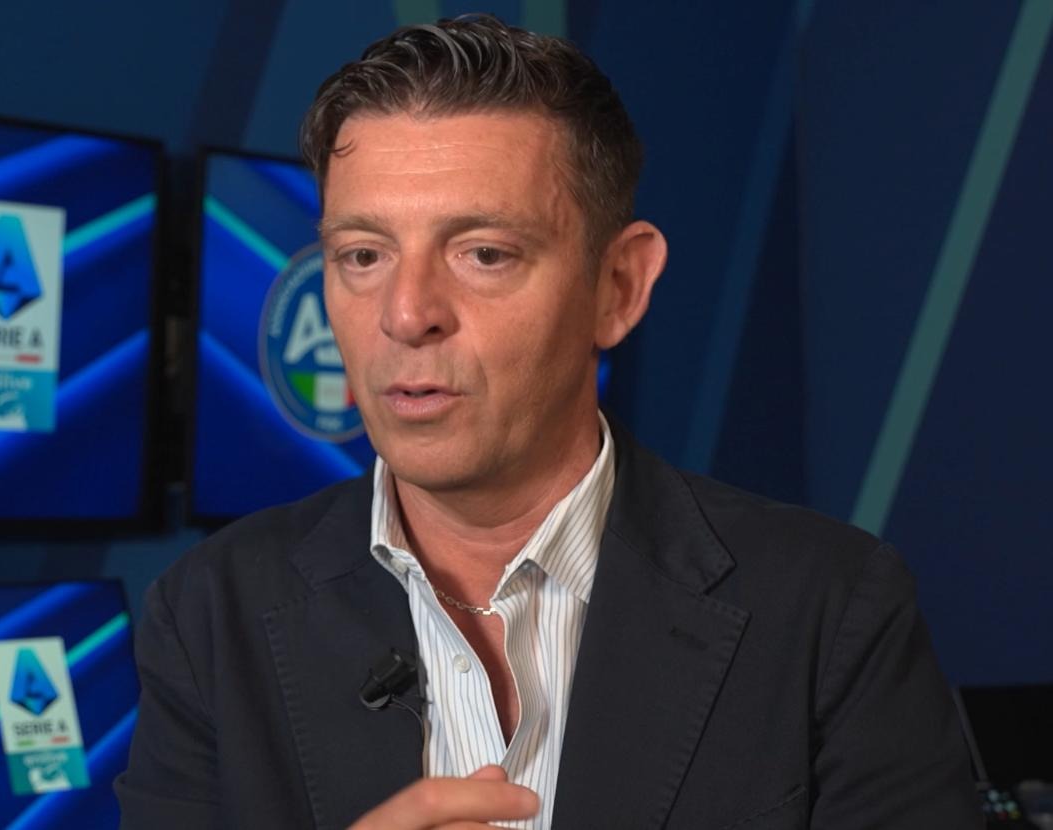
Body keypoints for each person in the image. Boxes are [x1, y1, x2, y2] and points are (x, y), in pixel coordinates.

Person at [116, 14, 978, 829]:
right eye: (363, 255)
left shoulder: (831, 609)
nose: (406, 314)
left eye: (484, 253)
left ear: (619, 287)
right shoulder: (208, 615)